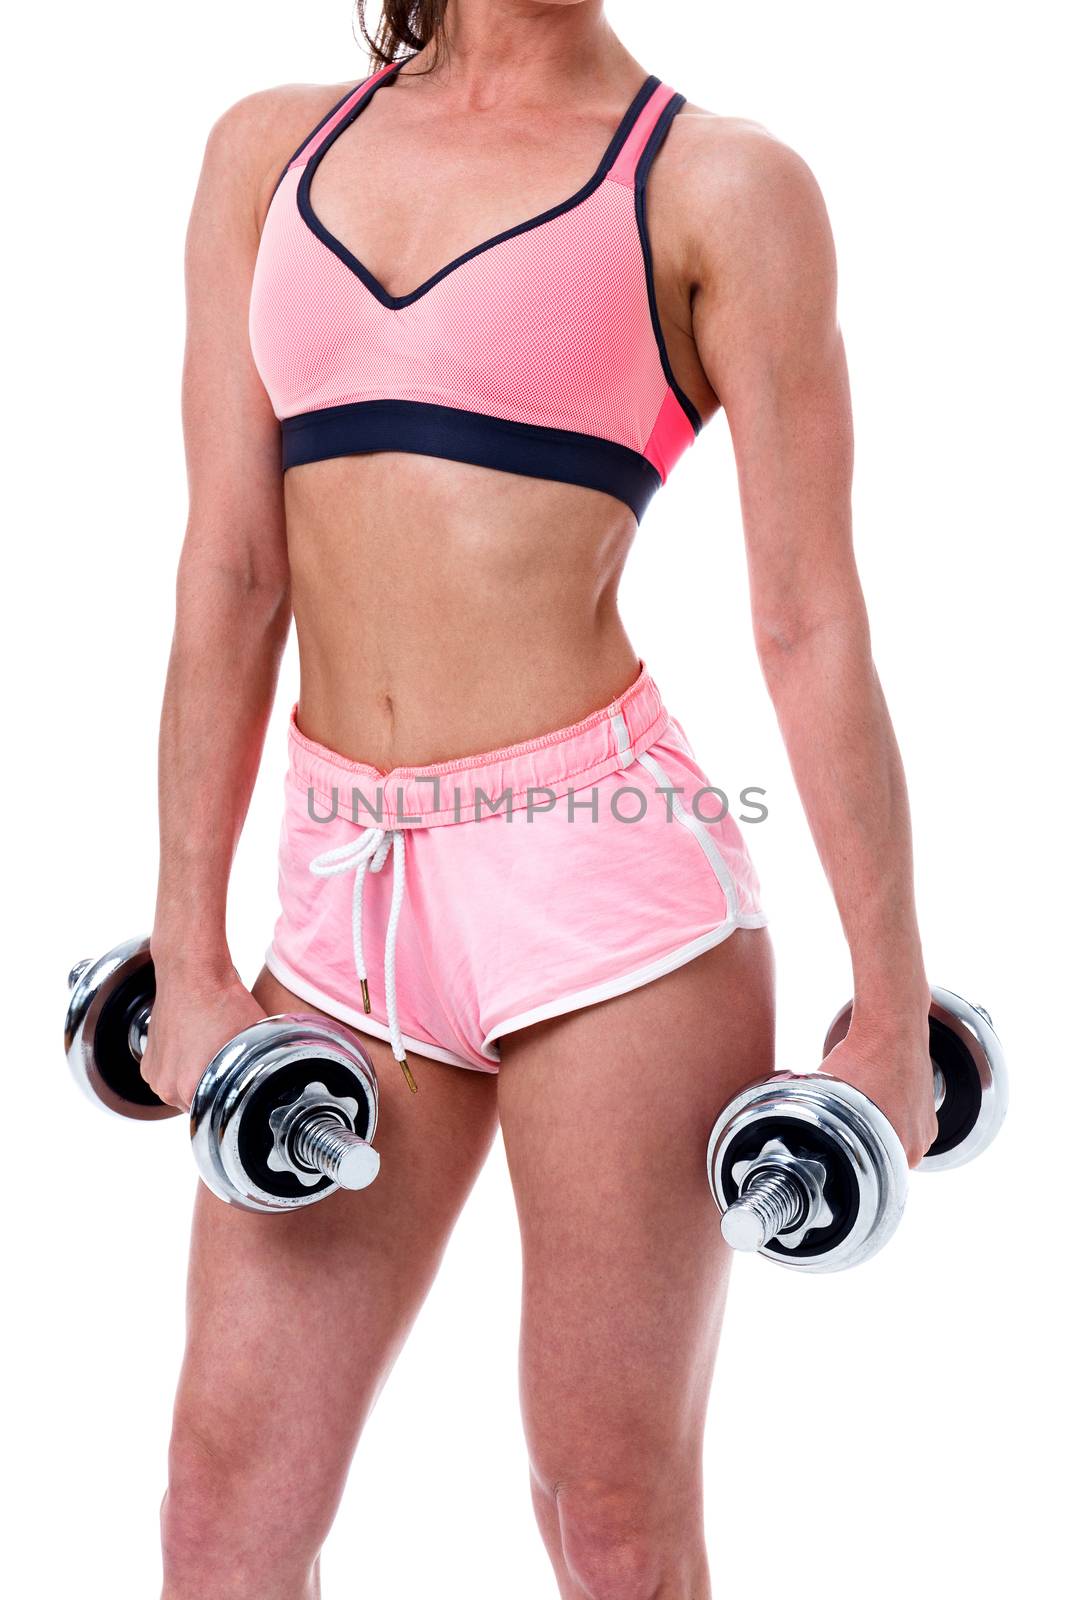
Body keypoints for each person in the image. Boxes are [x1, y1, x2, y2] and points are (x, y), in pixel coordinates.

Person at [144, 2, 937, 1595]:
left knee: (610, 1520)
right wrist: (188, 958)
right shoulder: (269, 152)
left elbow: (810, 619)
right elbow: (232, 574)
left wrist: (897, 1010)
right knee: (223, 1517)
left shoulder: (717, 186)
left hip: (606, 901)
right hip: (342, 897)